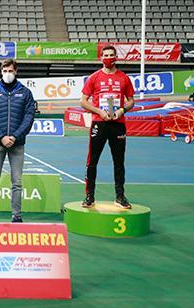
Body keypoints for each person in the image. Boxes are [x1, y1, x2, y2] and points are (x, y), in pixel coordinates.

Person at [80, 45, 135, 209]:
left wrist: (122, 110)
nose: (108, 57)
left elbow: (131, 100)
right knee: (92, 161)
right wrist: (98, 111)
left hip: (118, 124)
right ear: (101, 58)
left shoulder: (124, 78)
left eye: (111, 55)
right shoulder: (94, 78)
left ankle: (120, 196)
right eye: (105, 55)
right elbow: (83, 101)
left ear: (116, 57)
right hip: (99, 123)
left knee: (119, 162)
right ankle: (90, 196)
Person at [0, 59, 35, 223]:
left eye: (10, 71)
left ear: (16, 71)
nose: (7, 74)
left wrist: (15, 137)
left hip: (17, 144)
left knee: (17, 183)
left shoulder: (25, 92)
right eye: (5, 71)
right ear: (1, 72)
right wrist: (1, 137)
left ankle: (16, 216)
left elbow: (29, 117)